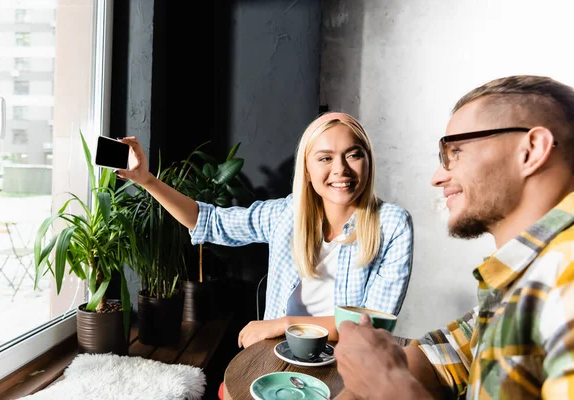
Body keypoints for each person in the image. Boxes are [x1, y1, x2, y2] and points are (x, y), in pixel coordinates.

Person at [334, 75, 574, 399]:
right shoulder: (521, 277)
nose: (438, 177)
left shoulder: (566, 277)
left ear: (531, 151)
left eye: (456, 151)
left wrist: (386, 383)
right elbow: (454, 354)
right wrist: (372, 372)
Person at [116, 111, 414, 348]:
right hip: (278, 353)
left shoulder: (392, 224)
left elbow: (371, 325)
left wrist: (282, 324)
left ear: (368, 160)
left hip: (348, 362)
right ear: (308, 171)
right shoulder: (286, 214)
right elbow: (208, 222)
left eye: (353, 154)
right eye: (325, 158)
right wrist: (147, 180)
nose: (341, 169)